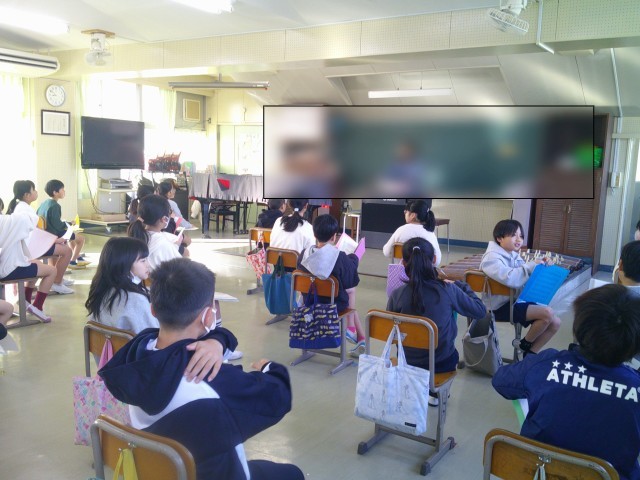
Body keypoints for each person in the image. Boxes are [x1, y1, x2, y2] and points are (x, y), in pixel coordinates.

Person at [99, 258, 304, 480]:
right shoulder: (208, 378)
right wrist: (270, 367)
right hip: (216, 474)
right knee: (292, 474)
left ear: (153, 310)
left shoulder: (135, 354)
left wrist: (217, 341)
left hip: (166, 472)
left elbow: (212, 336)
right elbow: (278, 396)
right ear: (208, 316)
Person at [492, 284, 640, 480]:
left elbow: (500, 381)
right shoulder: (635, 386)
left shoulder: (545, 363)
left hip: (537, 472)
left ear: (578, 327)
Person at [128, 194, 243, 361]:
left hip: (151, 293)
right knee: (212, 302)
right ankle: (217, 349)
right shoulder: (163, 244)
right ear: (164, 219)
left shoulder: (138, 237)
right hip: (172, 297)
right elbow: (182, 271)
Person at [387, 237, 486, 405]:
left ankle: (416, 388)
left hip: (406, 361)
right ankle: (436, 393)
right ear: (434, 259)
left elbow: (390, 329)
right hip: (440, 363)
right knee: (448, 349)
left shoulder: (397, 294)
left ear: (403, 263)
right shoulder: (448, 290)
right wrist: (461, 286)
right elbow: (479, 311)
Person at [480, 219, 561, 356]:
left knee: (556, 322)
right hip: (498, 307)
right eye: (513, 235)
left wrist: (541, 266)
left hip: (515, 302)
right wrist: (532, 265)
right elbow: (512, 279)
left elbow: (526, 275)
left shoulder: (513, 255)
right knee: (547, 313)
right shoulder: (491, 258)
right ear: (499, 238)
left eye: (521, 236)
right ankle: (523, 344)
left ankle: (530, 354)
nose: (519, 239)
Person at [298, 214, 365, 357]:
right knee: (350, 290)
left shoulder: (304, 255)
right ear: (334, 237)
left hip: (309, 302)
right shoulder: (339, 257)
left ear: (315, 234)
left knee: (346, 291)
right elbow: (350, 279)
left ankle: (361, 338)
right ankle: (352, 329)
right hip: (333, 306)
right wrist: (354, 257)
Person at [6, 180, 74, 295]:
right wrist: (54, 240)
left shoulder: (22, 207)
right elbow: (35, 234)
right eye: (34, 190)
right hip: (31, 247)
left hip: (28, 246)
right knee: (67, 251)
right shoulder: (26, 210)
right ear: (27, 195)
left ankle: (58, 279)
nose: (36, 192)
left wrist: (53, 240)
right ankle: (57, 282)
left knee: (61, 246)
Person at [85, 237, 157, 332]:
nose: (148, 265)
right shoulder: (136, 299)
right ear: (125, 264)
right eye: (143, 261)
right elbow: (153, 335)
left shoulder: (101, 290)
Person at [0, 207, 57, 322]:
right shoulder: (8, 221)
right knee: (52, 271)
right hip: (9, 269)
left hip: (6, 264)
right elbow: (31, 220)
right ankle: (38, 306)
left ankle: (25, 300)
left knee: (35, 262)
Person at [36, 179, 89, 270]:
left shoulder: (43, 203)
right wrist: (69, 223)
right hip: (55, 234)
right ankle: (73, 261)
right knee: (81, 239)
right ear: (55, 192)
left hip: (46, 233)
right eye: (62, 189)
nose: (64, 191)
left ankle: (77, 257)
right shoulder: (55, 205)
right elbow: (58, 226)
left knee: (71, 237)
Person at [382, 199, 442, 266]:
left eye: (406, 211)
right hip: (424, 272)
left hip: (402, 271)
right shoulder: (430, 233)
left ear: (413, 215)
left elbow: (386, 252)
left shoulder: (401, 230)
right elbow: (437, 261)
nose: (404, 213)